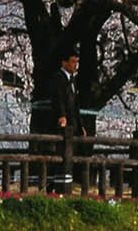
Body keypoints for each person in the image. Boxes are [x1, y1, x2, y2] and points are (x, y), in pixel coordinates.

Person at [29, 50, 85, 192]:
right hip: (62, 122)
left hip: (73, 122)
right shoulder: (58, 78)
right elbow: (58, 99)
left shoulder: (73, 80)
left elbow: (76, 105)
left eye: (77, 62)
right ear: (64, 63)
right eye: (73, 62)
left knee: (71, 153)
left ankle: (65, 182)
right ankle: (53, 185)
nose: (75, 65)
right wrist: (62, 116)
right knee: (59, 153)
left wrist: (81, 125)